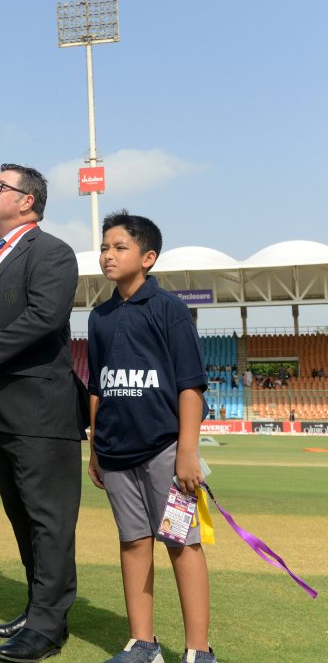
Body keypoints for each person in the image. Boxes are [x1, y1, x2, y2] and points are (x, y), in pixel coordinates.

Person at [0, 164, 86, 662]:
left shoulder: (51, 252)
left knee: (49, 522)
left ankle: (49, 627)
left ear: (27, 201)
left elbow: (44, 317)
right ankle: (37, 609)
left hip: (40, 411)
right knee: (22, 517)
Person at [87, 211, 216, 663]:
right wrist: (94, 449)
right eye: (105, 247)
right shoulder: (99, 317)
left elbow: (190, 385)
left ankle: (199, 650)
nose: (108, 255)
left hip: (165, 451)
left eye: (119, 247)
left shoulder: (169, 309)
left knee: (182, 544)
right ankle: (143, 644)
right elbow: (98, 387)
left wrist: (187, 452)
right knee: (133, 543)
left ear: (148, 257)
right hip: (114, 454)